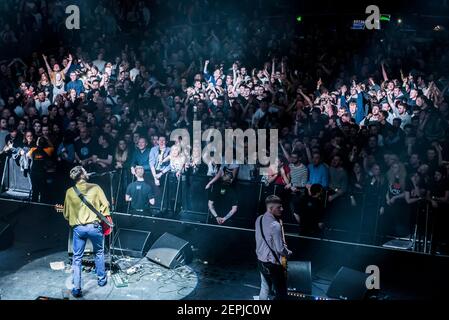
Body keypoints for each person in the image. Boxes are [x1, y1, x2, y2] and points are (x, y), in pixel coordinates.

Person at [63, 166, 110, 298]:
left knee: (77, 258)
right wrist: (101, 216)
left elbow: (66, 214)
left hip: (79, 228)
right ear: (83, 175)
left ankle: (77, 289)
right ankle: (101, 280)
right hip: (95, 227)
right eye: (85, 171)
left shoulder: (69, 191)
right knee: (99, 253)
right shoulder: (95, 187)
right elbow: (105, 205)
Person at [255, 195, 292, 300]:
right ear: (271, 209)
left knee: (265, 287)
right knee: (281, 294)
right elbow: (280, 249)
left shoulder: (259, 219)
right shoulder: (275, 225)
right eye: (279, 207)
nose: (282, 209)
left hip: (260, 261)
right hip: (272, 265)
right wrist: (288, 253)